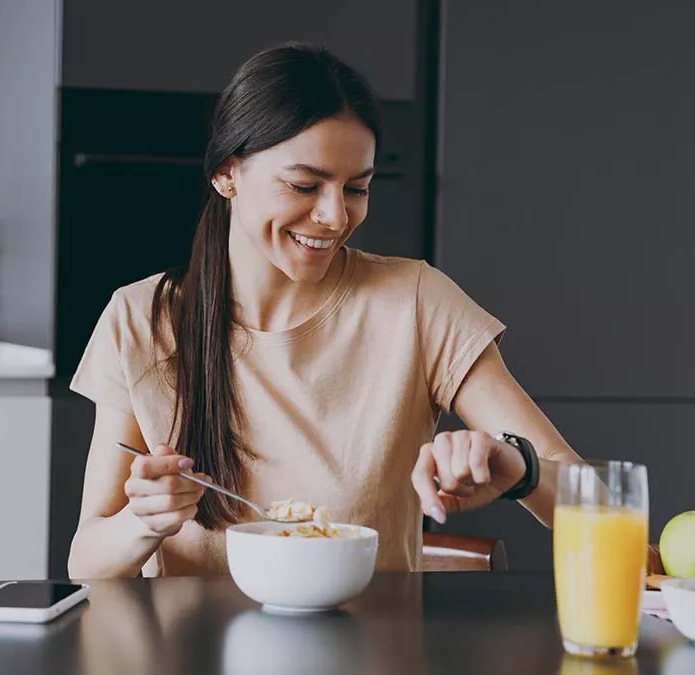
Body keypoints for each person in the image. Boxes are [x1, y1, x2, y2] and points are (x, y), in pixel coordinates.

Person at [66, 43, 583, 579]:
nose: (335, 216)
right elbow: (86, 559)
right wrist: (144, 522)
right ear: (226, 174)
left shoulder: (416, 301)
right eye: (304, 185)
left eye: (356, 188)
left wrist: (518, 469)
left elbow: (590, 496)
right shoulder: (141, 317)